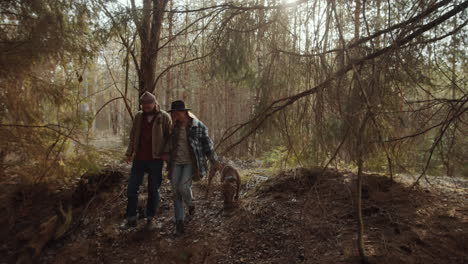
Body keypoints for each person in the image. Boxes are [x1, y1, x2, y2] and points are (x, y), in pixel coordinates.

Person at [166, 100, 219, 236]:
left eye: (178, 112)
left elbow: (208, 145)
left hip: (191, 163)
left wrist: (214, 160)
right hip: (175, 163)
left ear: (185, 112)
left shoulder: (198, 126)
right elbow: (168, 145)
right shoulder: (173, 128)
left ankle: (190, 205)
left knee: (183, 188)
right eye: (174, 113)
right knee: (175, 191)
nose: (176, 115)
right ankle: (179, 222)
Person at [120, 91, 172, 230]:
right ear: (141, 105)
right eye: (144, 104)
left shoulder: (164, 117)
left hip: (156, 160)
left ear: (155, 103)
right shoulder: (138, 116)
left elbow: (169, 137)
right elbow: (133, 136)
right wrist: (129, 153)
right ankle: (131, 218)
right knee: (132, 189)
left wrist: (166, 153)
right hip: (139, 159)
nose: (147, 106)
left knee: (153, 190)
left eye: (149, 103)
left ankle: (151, 219)